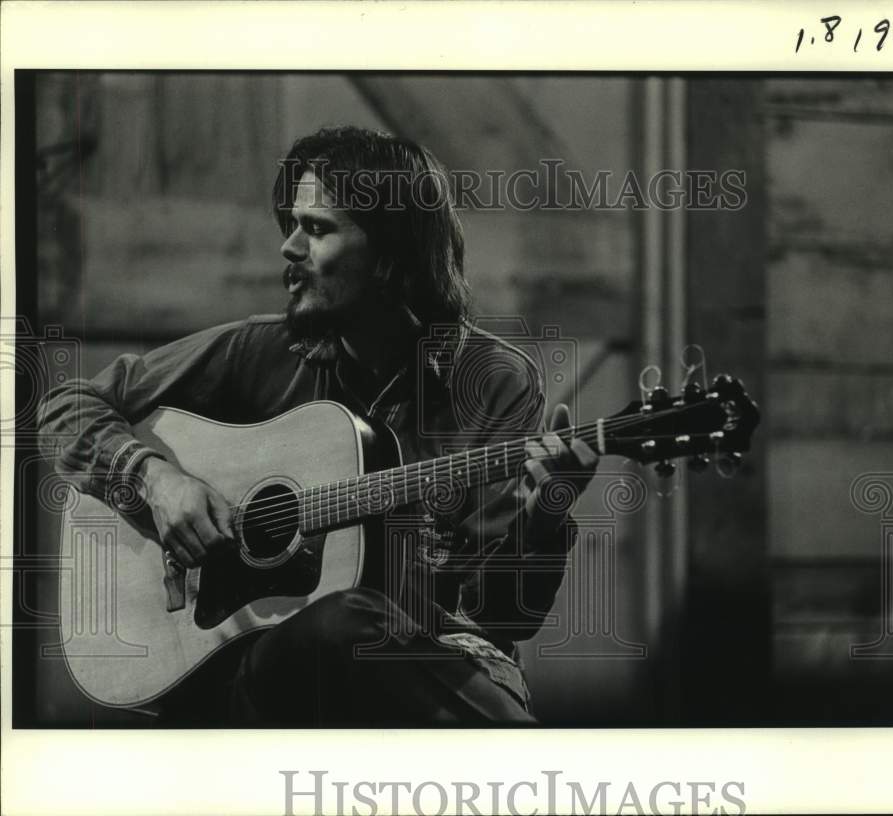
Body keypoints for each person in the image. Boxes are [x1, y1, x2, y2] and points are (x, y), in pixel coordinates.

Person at [38, 125, 598, 726]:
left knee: (349, 624)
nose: (289, 247)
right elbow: (65, 409)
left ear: (391, 253)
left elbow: (502, 619)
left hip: (434, 660)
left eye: (319, 228)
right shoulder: (258, 350)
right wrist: (156, 479)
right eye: (293, 223)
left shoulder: (491, 380)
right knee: (331, 628)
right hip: (256, 666)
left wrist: (544, 515)